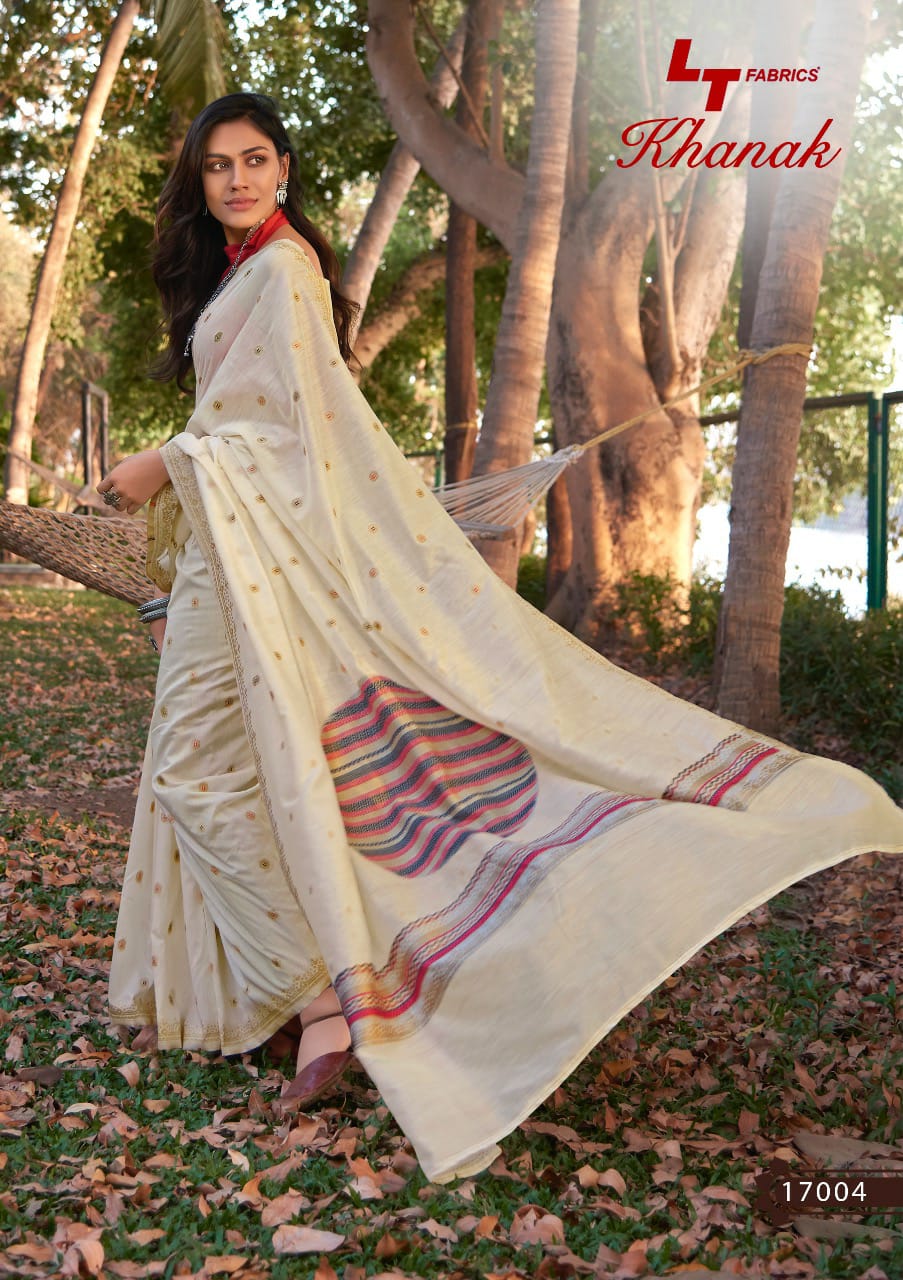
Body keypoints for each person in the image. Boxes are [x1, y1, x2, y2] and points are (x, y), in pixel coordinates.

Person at [100, 92, 903, 1186]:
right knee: (243, 767)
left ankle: (330, 997)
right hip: (231, 554)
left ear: (284, 170)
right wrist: (183, 480)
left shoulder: (285, 272)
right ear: (200, 183)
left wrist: (165, 462)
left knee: (195, 770)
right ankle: (278, 991)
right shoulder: (244, 274)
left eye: (254, 160)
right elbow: (251, 423)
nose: (236, 180)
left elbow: (286, 437)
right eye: (217, 165)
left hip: (253, 548)